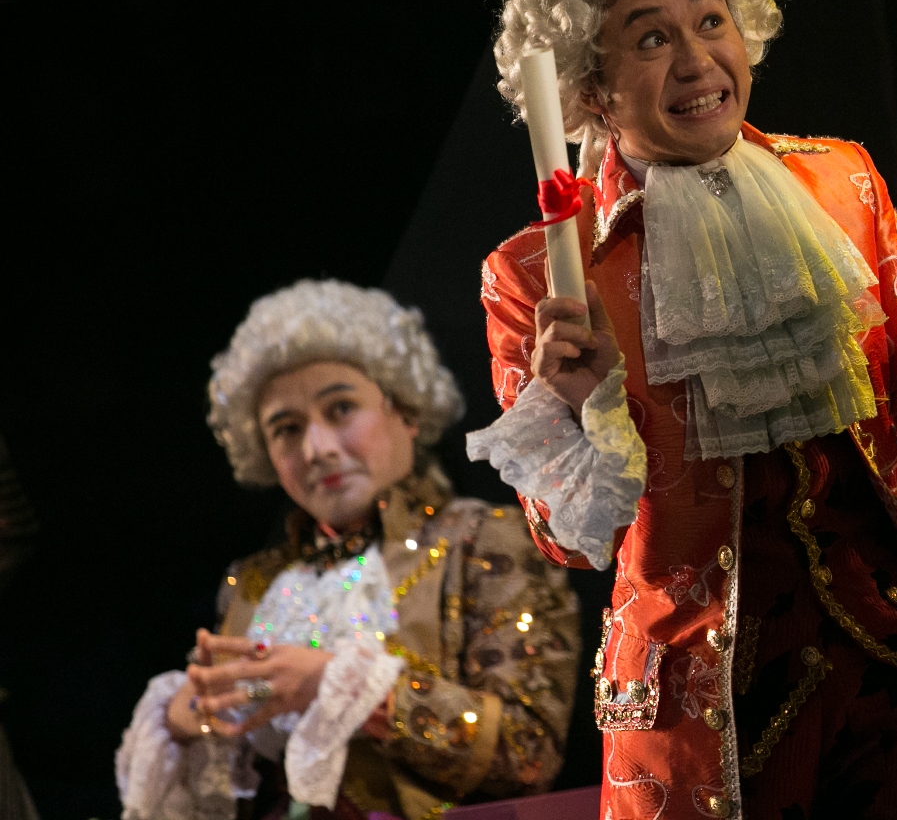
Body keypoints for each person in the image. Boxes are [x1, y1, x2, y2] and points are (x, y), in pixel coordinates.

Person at [466, 0, 897, 820]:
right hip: (709, 709)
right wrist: (576, 408)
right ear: (591, 87)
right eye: (651, 39)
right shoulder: (538, 273)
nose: (697, 60)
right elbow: (568, 539)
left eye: (712, 21)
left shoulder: (842, 180)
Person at [116, 280, 580, 820]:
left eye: (340, 409)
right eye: (286, 429)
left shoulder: (481, 541)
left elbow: (528, 754)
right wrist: (191, 719)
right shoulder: (255, 583)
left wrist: (341, 688)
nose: (317, 448)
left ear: (405, 412)